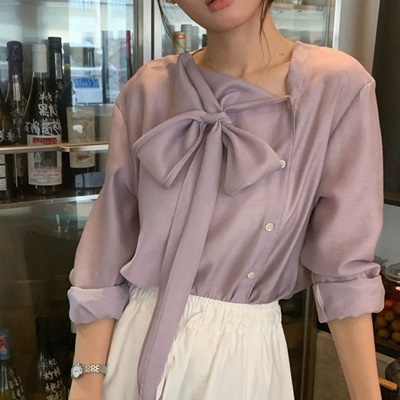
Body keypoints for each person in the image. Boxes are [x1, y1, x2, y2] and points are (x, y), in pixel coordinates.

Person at [67, 0, 385, 399]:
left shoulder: (335, 87)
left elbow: (344, 271)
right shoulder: (149, 90)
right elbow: (105, 255)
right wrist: (85, 381)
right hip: (131, 350)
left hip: (242, 363)